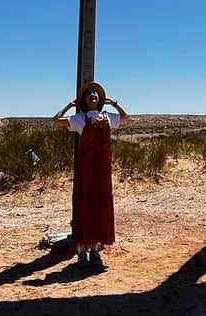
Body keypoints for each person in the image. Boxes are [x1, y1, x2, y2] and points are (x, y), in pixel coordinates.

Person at [53, 81, 128, 269]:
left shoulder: (107, 116)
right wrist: (69, 106)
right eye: (89, 94)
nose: (93, 95)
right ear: (85, 100)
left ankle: (94, 248)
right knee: (84, 204)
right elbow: (56, 120)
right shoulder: (80, 119)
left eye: (96, 93)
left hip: (102, 169)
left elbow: (126, 117)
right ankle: (81, 251)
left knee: (99, 205)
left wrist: (114, 103)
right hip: (86, 168)